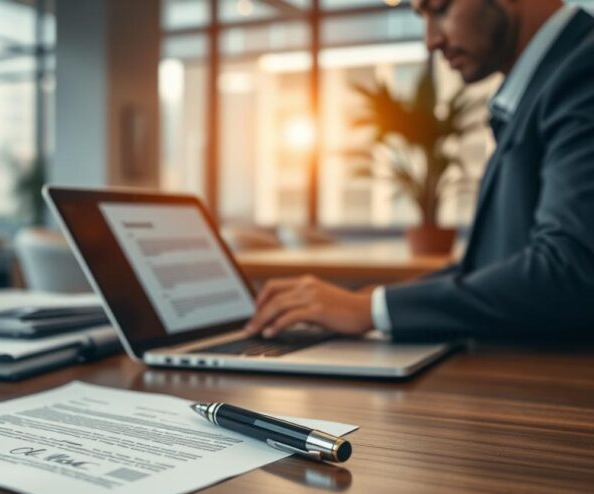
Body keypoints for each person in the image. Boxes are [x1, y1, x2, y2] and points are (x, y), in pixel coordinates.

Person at [246, 0, 594, 342]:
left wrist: (372, 309)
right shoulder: (550, 80)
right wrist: (371, 301)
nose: (431, 40)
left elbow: (570, 271)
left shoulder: (583, 70)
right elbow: (495, 266)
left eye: (440, 9)